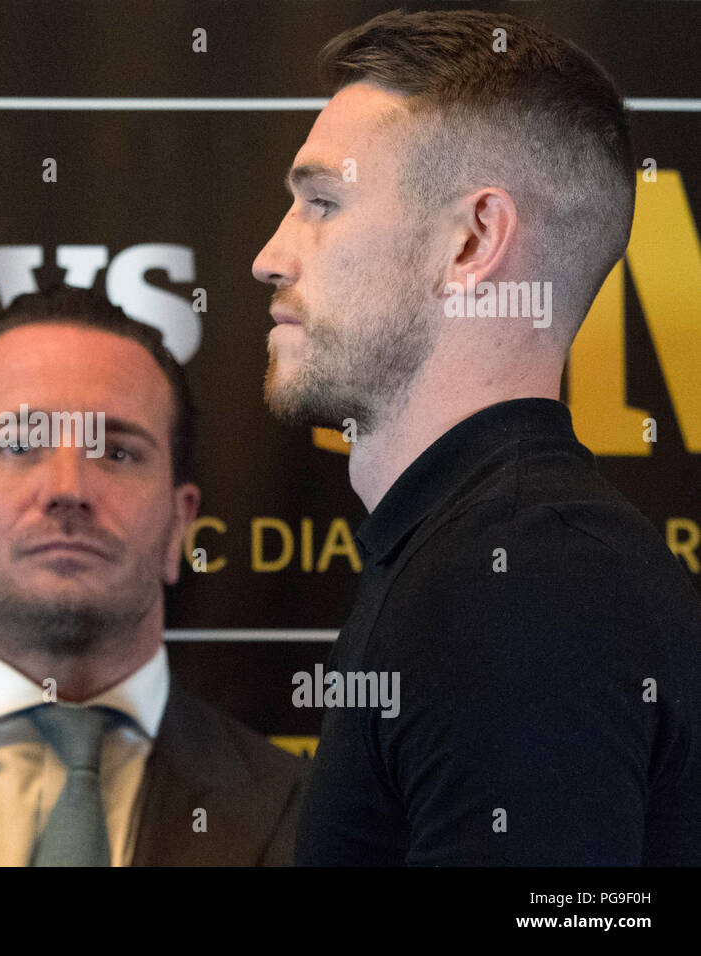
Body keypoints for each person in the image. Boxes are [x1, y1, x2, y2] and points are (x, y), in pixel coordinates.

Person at [253, 9, 701, 864]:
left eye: (321, 204)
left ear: (473, 241)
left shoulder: (521, 579)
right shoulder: (483, 555)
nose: (270, 255)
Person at [0, 286, 307, 866]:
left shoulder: (313, 811)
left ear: (180, 523)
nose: (68, 490)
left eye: (118, 452)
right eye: (20, 444)